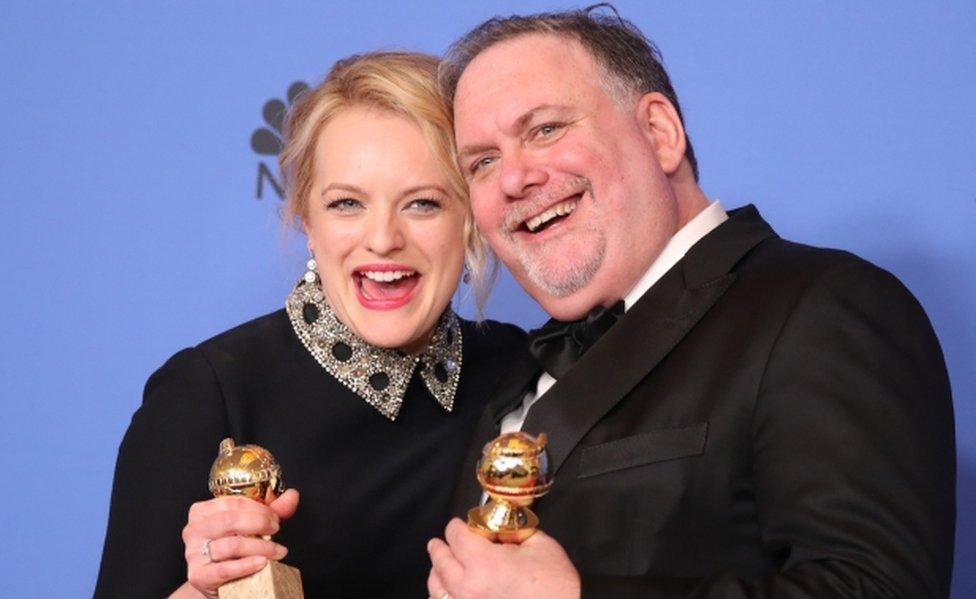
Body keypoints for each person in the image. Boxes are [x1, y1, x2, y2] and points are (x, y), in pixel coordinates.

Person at [427, 7, 955, 599]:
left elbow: (878, 588)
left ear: (659, 132)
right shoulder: (508, 373)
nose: (513, 179)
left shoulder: (824, 308)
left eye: (545, 129)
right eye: (483, 161)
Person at [93, 51, 525, 599]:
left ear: (471, 218)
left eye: (422, 203)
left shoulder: (520, 369)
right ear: (306, 220)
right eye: (347, 203)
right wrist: (203, 592)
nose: (384, 238)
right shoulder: (207, 394)